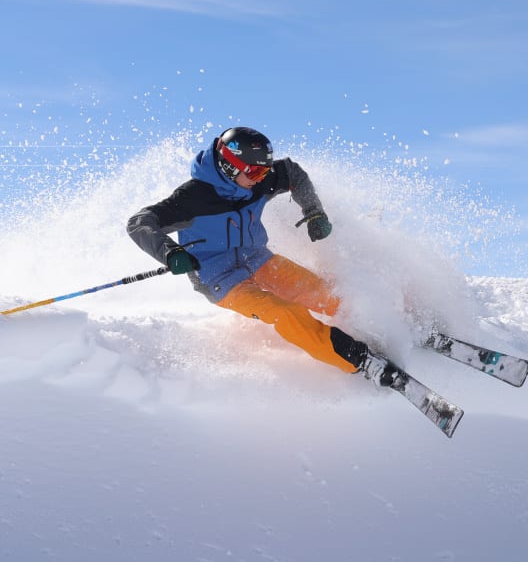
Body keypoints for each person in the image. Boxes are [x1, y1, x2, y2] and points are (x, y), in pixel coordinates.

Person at [126, 127, 399, 387]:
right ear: (230, 166)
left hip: (258, 260)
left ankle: (389, 334)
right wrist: (170, 252)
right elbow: (140, 222)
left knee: (327, 294)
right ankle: (360, 361)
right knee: (287, 313)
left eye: (265, 171)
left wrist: (313, 211)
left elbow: (292, 172)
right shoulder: (192, 199)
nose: (262, 178)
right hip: (219, 279)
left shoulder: (257, 181)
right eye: (255, 171)